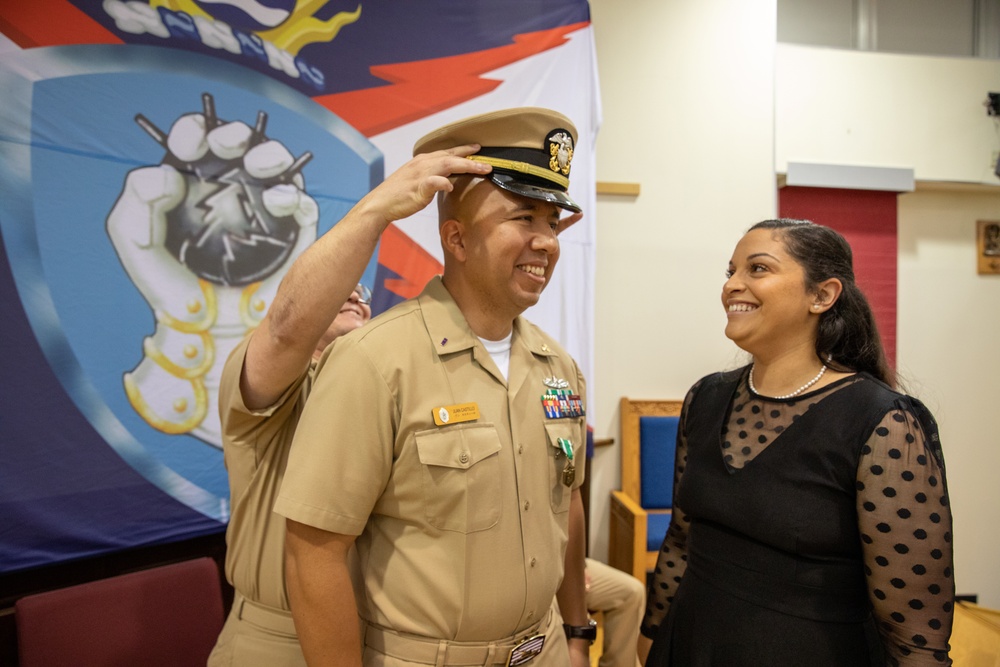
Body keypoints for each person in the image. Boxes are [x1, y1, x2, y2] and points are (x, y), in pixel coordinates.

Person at [274, 107, 592, 667]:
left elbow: (565, 503)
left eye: (552, 222)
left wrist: (576, 631)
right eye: (524, 217)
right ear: (458, 239)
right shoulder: (374, 362)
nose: (546, 242)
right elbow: (312, 554)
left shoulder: (558, 366)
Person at [207, 142, 496, 667]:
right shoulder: (262, 378)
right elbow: (288, 327)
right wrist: (380, 207)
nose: (355, 294)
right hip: (280, 639)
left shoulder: (386, 381)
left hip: (379, 633)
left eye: (362, 291)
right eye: (339, 288)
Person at [641, 219, 955, 666]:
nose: (733, 285)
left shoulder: (884, 421)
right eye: (730, 271)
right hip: (690, 643)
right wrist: (653, 633)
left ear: (822, 295)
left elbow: (915, 631)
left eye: (758, 269)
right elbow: (681, 539)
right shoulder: (705, 397)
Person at [585, 557, 645, 667]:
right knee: (578, 619)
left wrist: (579, 567)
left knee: (633, 592)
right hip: (548, 570)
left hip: (571, 560)